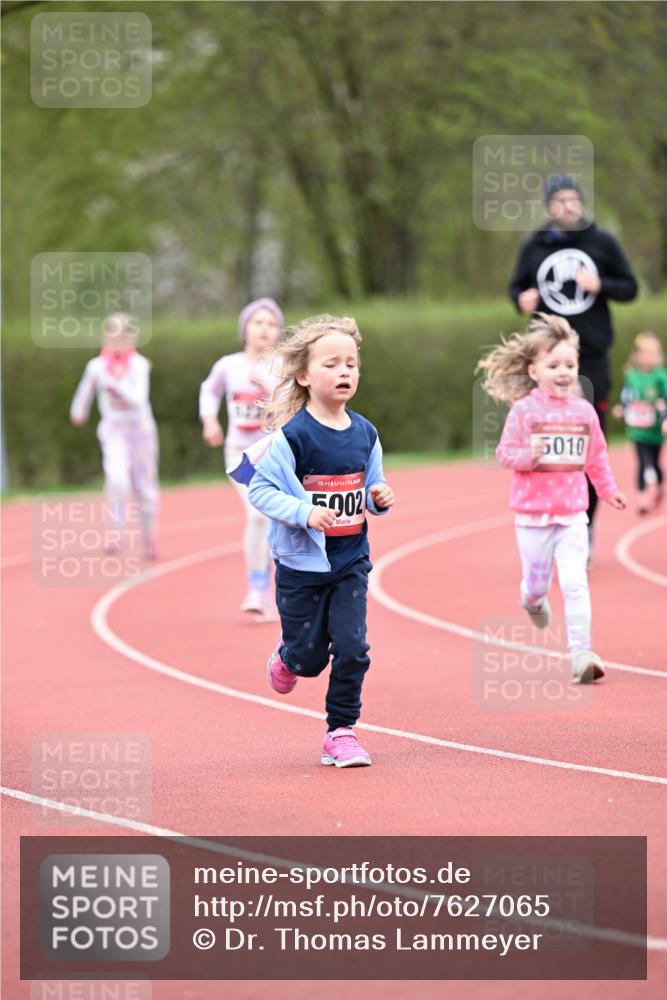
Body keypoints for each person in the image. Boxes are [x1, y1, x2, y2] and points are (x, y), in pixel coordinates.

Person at [229, 315, 395, 766]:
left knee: (353, 646)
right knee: (307, 660)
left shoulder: (366, 433)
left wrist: (379, 499)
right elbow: (260, 489)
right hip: (301, 566)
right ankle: (287, 658)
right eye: (332, 364)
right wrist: (304, 512)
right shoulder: (292, 437)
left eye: (352, 364)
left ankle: (340, 731)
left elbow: (372, 489)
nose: (345, 372)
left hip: (349, 561)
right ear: (303, 375)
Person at [477, 313, 626, 683]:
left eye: (570, 364)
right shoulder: (524, 411)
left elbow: (597, 458)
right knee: (537, 584)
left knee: (575, 583)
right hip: (532, 517)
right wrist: (530, 454)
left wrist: (609, 491)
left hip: (574, 514)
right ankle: (530, 599)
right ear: (534, 370)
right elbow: (504, 455)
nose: (563, 371)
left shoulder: (583, 411)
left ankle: (581, 653)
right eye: (554, 364)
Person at [508, 174, 638, 558]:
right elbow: (515, 288)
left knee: (585, 445)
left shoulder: (602, 242)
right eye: (561, 201)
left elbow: (630, 287)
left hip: (591, 357)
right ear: (550, 207)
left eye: (574, 200)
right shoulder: (535, 246)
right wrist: (521, 299)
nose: (570, 206)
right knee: (547, 449)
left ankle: (585, 526)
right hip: (546, 360)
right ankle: (547, 528)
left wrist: (601, 285)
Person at [200, 298, 283, 617]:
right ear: (245, 329)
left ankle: (278, 586)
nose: (264, 328)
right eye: (258, 322)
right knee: (258, 515)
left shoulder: (283, 365)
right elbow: (209, 390)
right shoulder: (228, 365)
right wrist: (210, 420)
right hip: (240, 454)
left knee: (280, 520)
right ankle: (256, 588)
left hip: (277, 454)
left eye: (272, 323)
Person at [70, 313, 159, 561]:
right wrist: (78, 411)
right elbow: (84, 391)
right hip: (113, 430)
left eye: (123, 334)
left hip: (140, 431)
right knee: (117, 480)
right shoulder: (96, 366)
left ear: (131, 337)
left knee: (145, 488)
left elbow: (138, 399)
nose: (117, 339)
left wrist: (115, 383)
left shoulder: (140, 364)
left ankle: (149, 538)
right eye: (112, 334)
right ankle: (115, 532)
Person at [612, 332, 667, 514]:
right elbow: (628, 395)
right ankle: (642, 499)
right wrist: (622, 407)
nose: (650, 357)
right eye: (646, 353)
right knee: (642, 461)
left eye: (654, 353)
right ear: (637, 355)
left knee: (656, 463)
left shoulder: (661, 376)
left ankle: (659, 484)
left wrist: (664, 412)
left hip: (656, 431)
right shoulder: (632, 375)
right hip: (638, 429)